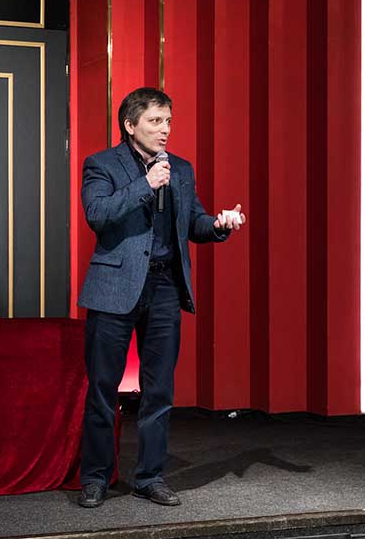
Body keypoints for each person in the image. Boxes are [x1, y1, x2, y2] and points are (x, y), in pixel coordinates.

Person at [77, 87, 246, 508]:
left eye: (168, 121)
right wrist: (146, 183)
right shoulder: (101, 164)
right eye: (155, 121)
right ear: (129, 125)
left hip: (165, 287)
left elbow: (193, 223)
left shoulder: (181, 169)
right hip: (115, 289)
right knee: (102, 389)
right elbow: (98, 215)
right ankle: (95, 477)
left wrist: (219, 224)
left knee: (159, 391)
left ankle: (150, 477)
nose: (165, 129)